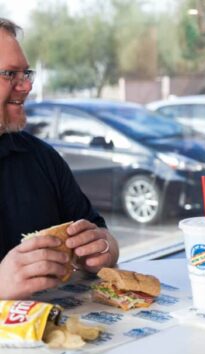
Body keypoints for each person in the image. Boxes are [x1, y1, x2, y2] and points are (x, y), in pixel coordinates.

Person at [0, 18, 119, 299]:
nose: (26, 86)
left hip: (56, 336)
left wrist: (104, 250)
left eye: (25, 73)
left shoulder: (41, 158)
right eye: (10, 74)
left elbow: (100, 236)